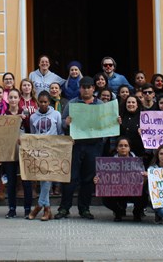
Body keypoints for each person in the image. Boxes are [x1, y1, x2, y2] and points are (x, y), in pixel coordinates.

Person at [55, 76, 104, 220]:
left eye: (89, 87)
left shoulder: (100, 104)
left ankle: (84, 209)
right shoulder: (72, 103)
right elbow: (62, 122)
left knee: (88, 179)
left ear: (93, 89)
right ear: (80, 89)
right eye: (84, 87)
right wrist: (66, 123)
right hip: (76, 145)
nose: (86, 90)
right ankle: (64, 208)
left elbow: (107, 124)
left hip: (93, 145)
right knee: (71, 177)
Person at [28, 90, 63, 221]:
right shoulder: (33, 117)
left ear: (49, 102)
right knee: (43, 178)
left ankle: (38, 206)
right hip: (39, 151)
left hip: (52, 150)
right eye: (41, 102)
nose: (43, 104)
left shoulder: (56, 114)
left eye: (45, 102)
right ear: (38, 102)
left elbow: (60, 132)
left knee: (48, 178)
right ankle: (47, 209)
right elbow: (33, 133)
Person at [93, 137, 145, 222]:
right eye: (120, 145)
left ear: (129, 148)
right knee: (105, 198)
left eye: (126, 145)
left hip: (133, 191)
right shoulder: (109, 163)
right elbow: (104, 177)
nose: (123, 147)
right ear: (117, 148)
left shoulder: (138, 162)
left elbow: (142, 179)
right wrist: (98, 180)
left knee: (144, 195)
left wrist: (145, 176)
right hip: (117, 192)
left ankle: (137, 213)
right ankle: (118, 212)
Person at [3, 88, 32, 218]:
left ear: (19, 99)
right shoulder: (4, 115)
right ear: (7, 99)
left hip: (24, 150)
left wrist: (24, 119)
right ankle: (12, 209)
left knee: (26, 179)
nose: (13, 100)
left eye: (15, 97)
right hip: (9, 151)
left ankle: (27, 209)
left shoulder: (24, 113)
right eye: (11, 97)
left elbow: (30, 130)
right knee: (11, 181)